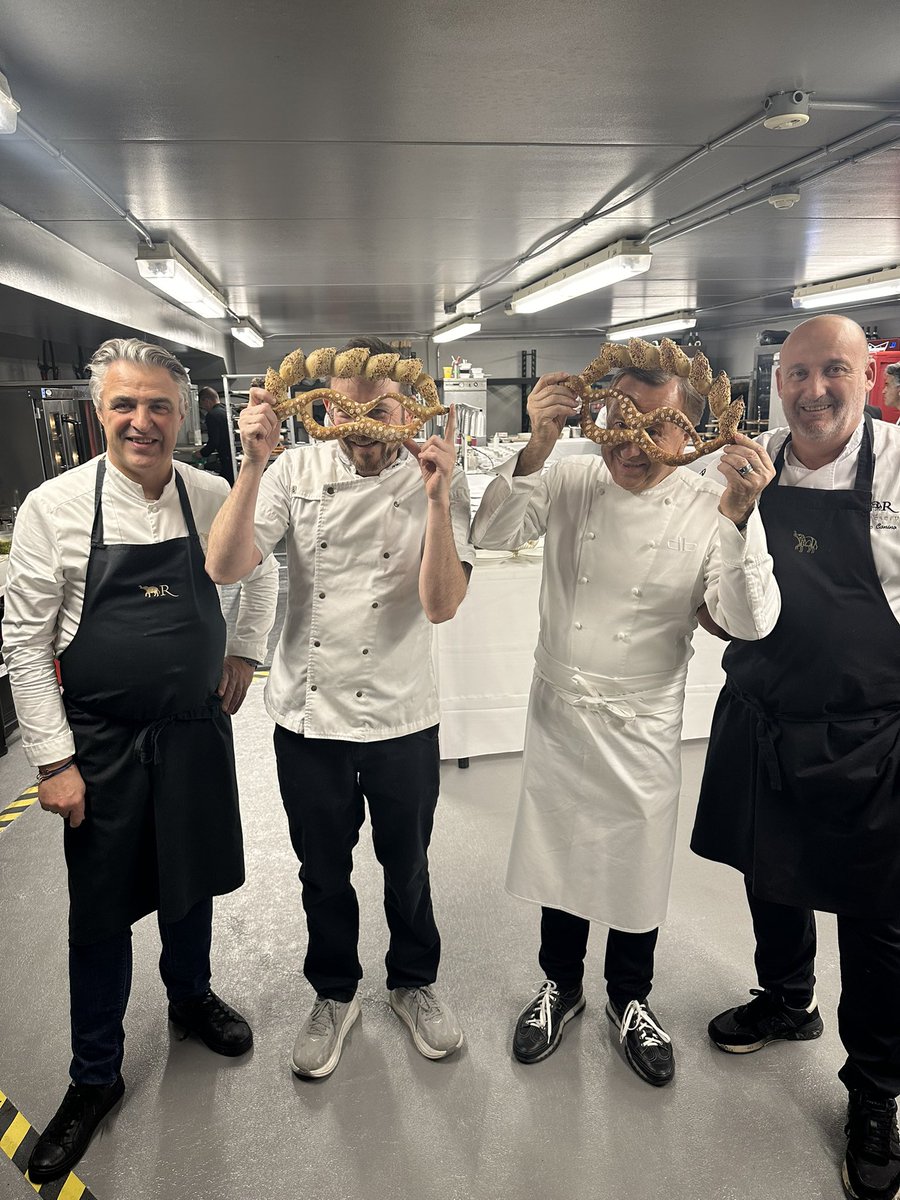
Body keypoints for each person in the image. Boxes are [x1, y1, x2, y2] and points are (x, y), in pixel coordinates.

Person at [2, 338, 278, 1182]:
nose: (142, 421)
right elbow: (23, 641)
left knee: (188, 881)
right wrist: (53, 761)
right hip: (104, 744)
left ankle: (191, 999)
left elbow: (258, 573)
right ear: (99, 412)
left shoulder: (211, 494)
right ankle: (95, 1076)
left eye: (159, 405)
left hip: (194, 728)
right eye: (124, 405)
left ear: (182, 414)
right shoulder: (55, 507)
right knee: (101, 913)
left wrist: (244, 653)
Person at [471, 363, 780, 1086]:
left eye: (659, 423)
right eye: (621, 419)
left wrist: (740, 516)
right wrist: (536, 447)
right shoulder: (570, 479)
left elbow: (747, 620)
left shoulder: (714, 504)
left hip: (643, 718)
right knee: (559, 858)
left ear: (693, 433)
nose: (634, 443)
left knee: (635, 864)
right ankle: (561, 986)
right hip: (559, 709)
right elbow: (489, 532)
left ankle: (631, 998)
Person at [206, 336, 474, 1078]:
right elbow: (223, 565)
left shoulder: (439, 473)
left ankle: (414, 983)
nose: (365, 428)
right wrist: (253, 463)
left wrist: (439, 500)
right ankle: (334, 992)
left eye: (381, 411)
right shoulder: (293, 470)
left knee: (407, 864)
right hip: (309, 718)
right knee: (321, 870)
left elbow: (442, 606)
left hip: (402, 717)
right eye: (348, 411)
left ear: (408, 407)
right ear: (324, 407)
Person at [691, 314, 900, 1200]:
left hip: (871, 724)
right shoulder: (739, 465)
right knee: (768, 872)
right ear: (775, 381)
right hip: (765, 711)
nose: (813, 390)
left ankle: (877, 1092)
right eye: (797, 373)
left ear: (867, 378)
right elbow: (704, 585)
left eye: (834, 372)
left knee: (879, 917)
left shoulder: (895, 468)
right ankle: (788, 998)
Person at [196, 386, 235, 485]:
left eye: (202, 405)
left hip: (227, 458)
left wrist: (201, 453)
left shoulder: (212, 415)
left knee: (226, 486)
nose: (203, 408)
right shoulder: (229, 411)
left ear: (206, 401)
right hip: (235, 455)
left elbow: (214, 442)